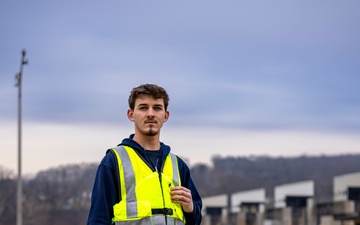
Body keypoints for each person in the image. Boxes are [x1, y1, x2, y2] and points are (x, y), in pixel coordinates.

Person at [87, 83, 202, 225]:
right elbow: (98, 219)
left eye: (157, 108)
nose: (151, 113)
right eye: (143, 108)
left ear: (165, 115)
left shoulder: (178, 165)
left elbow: (195, 220)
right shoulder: (114, 161)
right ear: (131, 114)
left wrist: (191, 209)